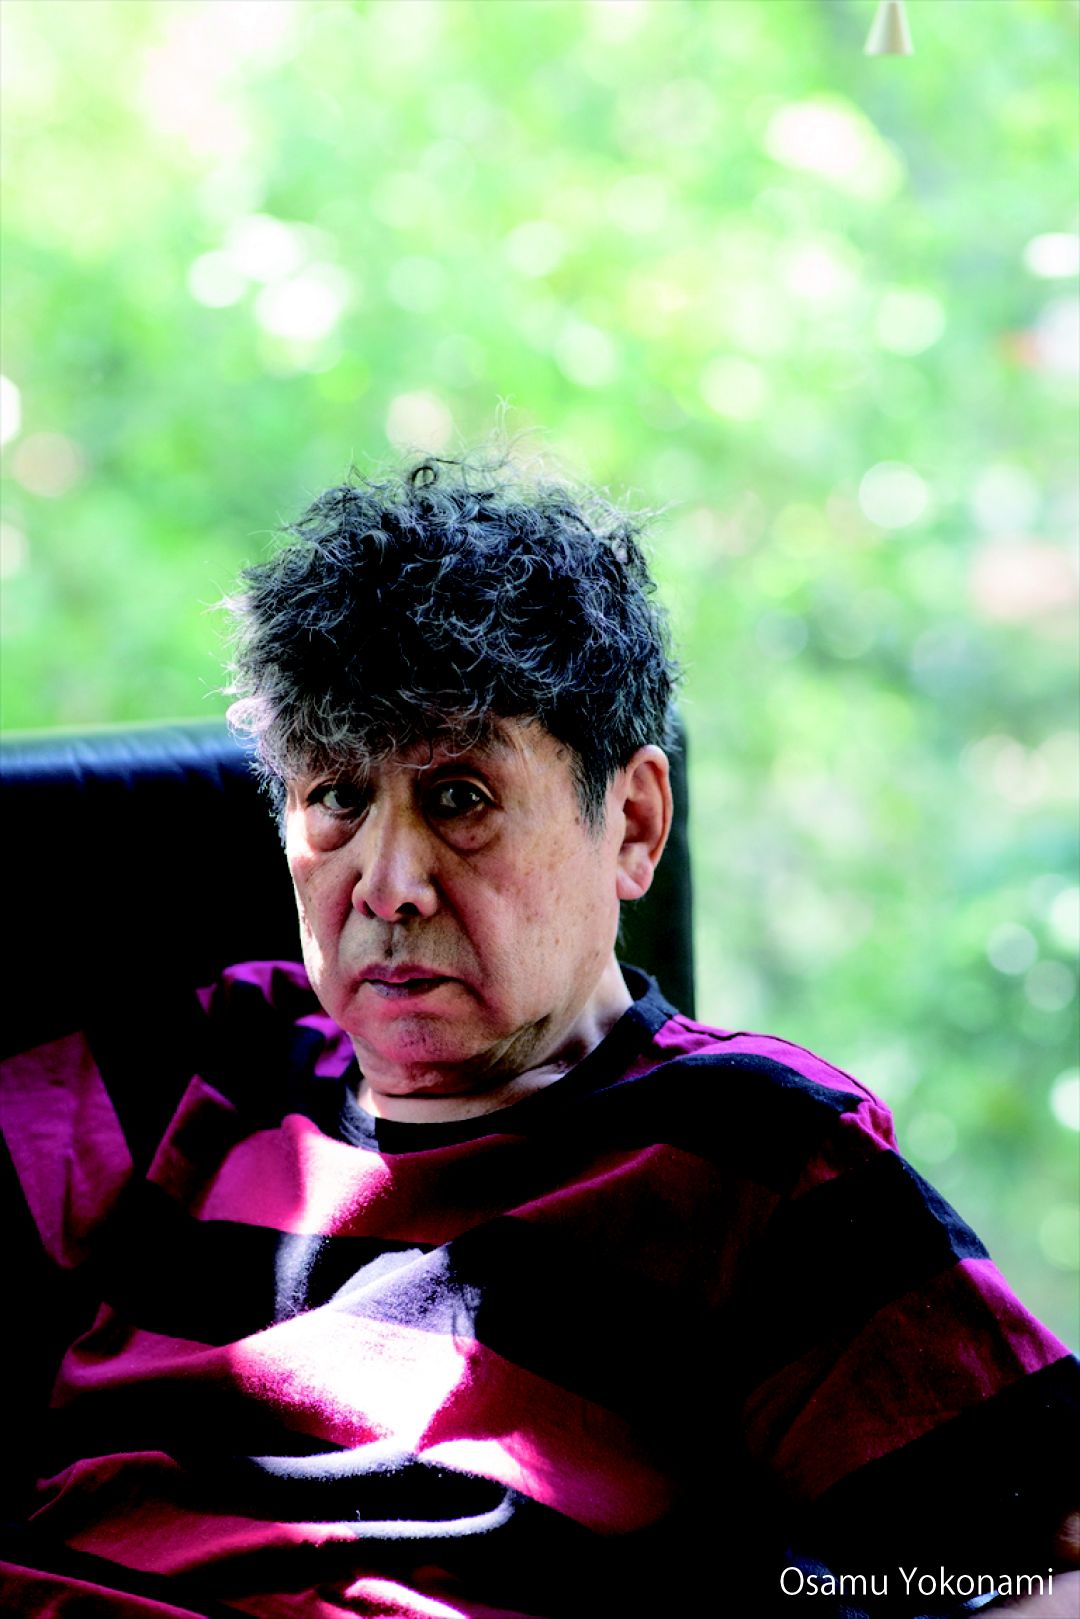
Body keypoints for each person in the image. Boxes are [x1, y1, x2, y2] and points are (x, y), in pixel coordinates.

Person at [0, 451, 1077, 1619]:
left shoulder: (758, 1152)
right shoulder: (198, 1061)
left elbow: (1042, 1566)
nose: (388, 883)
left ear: (634, 823)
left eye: (459, 797)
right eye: (338, 798)